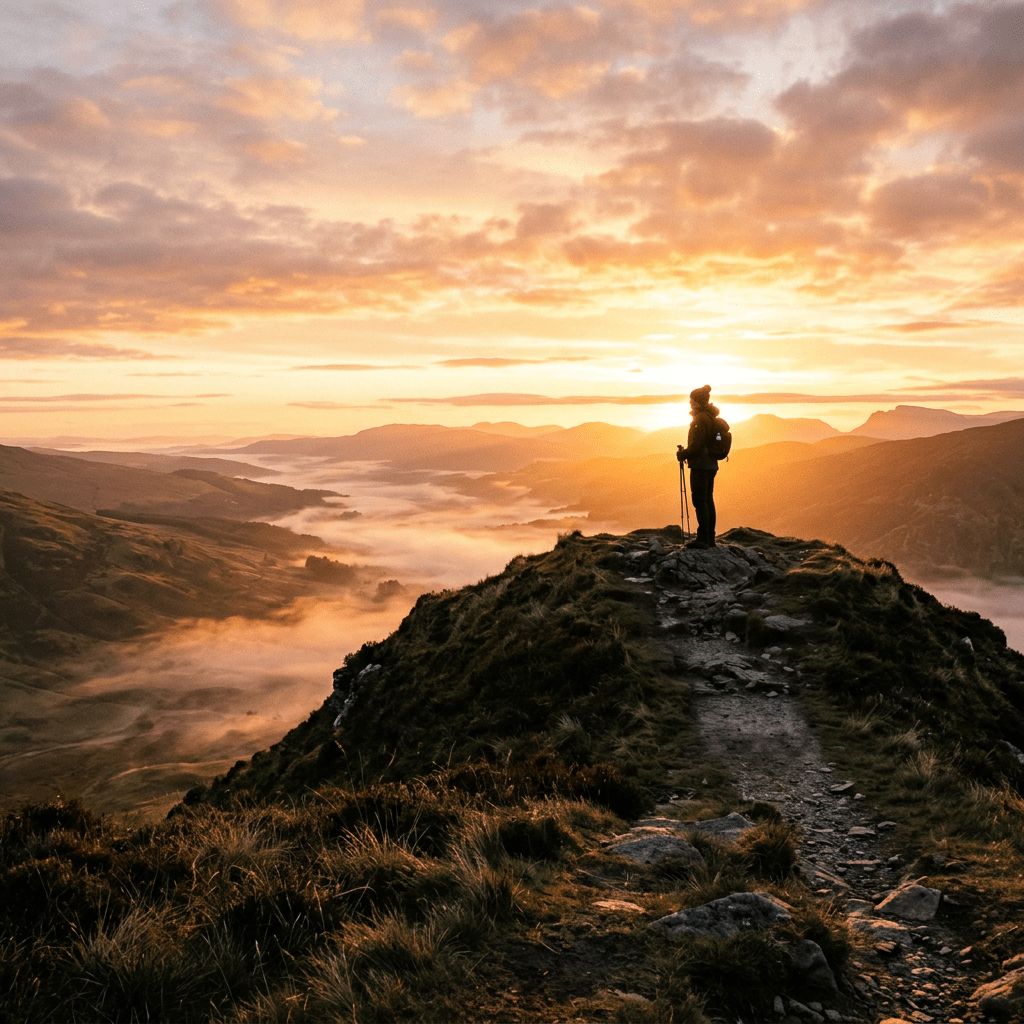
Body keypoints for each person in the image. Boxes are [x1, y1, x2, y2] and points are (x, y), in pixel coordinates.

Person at [675, 384, 724, 549]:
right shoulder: (709, 417)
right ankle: (710, 539)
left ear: (696, 401)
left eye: (692, 400)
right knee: (708, 500)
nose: (690, 402)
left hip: (701, 465)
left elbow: (697, 446)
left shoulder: (700, 419)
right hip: (711, 465)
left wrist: (683, 454)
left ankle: (703, 539)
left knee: (699, 501)